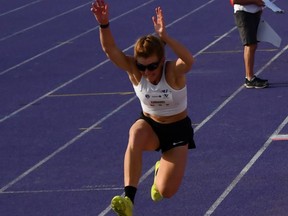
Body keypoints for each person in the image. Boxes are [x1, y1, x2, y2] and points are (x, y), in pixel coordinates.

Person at [91, 0, 196, 215]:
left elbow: (189, 60)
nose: (147, 72)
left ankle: (160, 172)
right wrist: (104, 24)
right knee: (135, 132)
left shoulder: (172, 73)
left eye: (152, 66)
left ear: (162, 61)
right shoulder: (135, 71)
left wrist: (165, 37)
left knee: (166, 191)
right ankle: (128, 198)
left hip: (177, 130)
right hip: (151, 126)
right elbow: (110, 50)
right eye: (142, 66)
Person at [232, 0, 269, 88]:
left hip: (254, 12)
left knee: (252, 44)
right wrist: (255, 1)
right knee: (250, 44)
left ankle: (250, 77)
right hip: (244, 14)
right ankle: (249, 79)